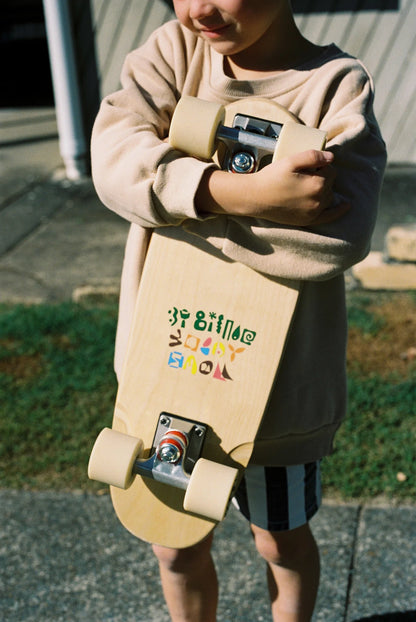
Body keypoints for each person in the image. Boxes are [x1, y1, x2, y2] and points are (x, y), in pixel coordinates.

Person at [91, 1, 386, 620]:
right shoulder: (174, 54)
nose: (199, 7)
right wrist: (240, 193)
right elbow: (113, 158)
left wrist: (178, 203)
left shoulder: (334, 86)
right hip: (165, 377)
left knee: (279, 542)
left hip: (279, 402)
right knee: (173, 544)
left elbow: (342, 233)